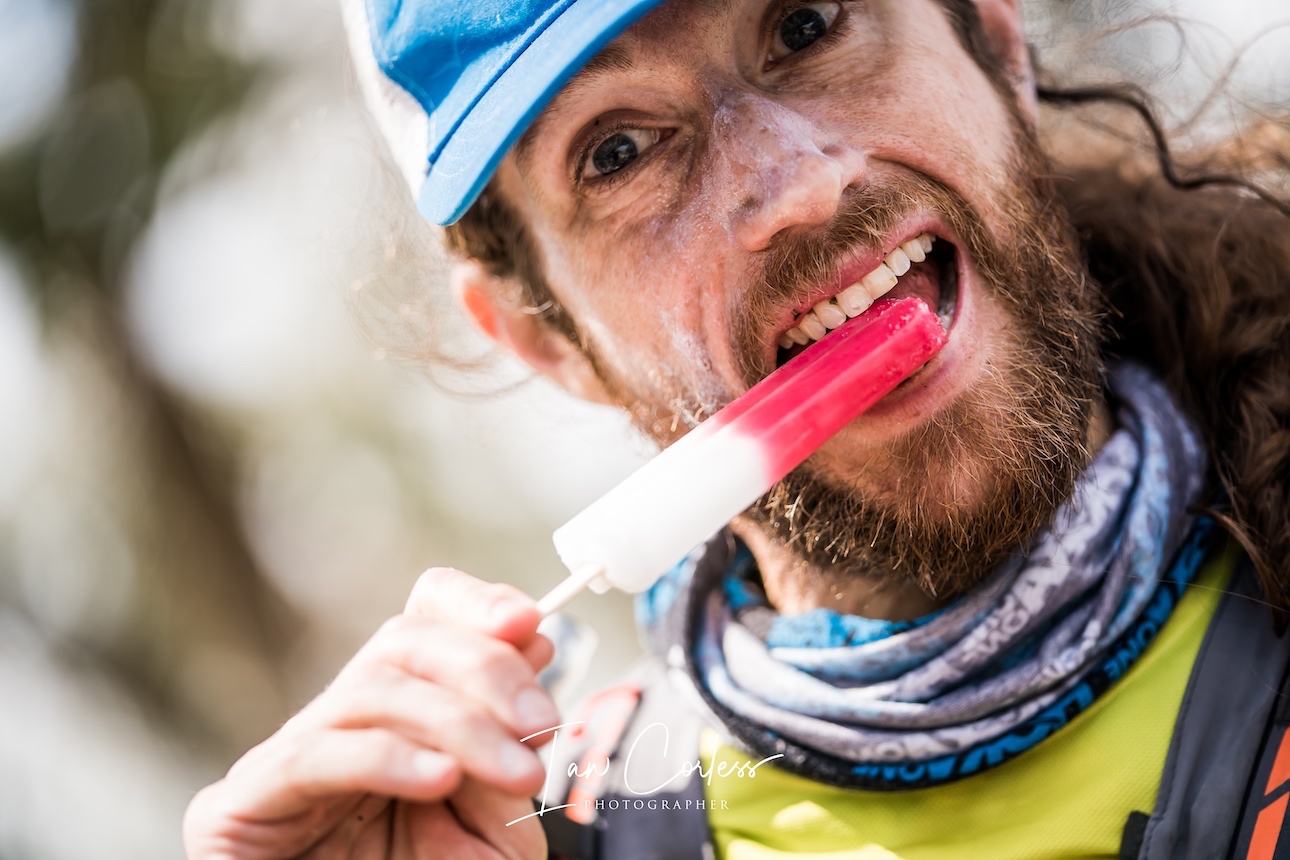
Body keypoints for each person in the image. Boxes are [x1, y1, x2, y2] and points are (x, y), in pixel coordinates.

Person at [182, 0, 1290, 857]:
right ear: (549, 343)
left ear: (994, 41)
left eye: (807, 24)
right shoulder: (555, 835)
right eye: (619, 150)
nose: (793, 186)